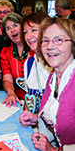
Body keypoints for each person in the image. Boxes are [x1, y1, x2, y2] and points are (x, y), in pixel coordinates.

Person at [20, 17, 75, 151]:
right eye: (45, 41)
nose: (50, 46)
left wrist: (54, 150)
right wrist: (37, 118)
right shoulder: (53, 77)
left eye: (59, 40)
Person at [0, 13, 34, 107]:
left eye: (15, 25)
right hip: (18, 101)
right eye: (8, 28)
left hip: (39, 99)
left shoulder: (35, 48)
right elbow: (7, 79)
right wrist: (11, 93)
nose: (12, 30)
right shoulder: (6, 53)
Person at [21, 12, 51, 112]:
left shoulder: (58, 64)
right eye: (25, 32)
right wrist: (26, 113)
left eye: (33, 30)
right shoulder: (28, 64)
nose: (28, 37)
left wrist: (36, 118)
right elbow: (28, 97)